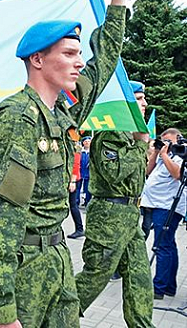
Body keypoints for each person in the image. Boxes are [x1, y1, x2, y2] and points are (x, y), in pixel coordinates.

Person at [0, 0, 128, 328]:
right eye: (69, 54)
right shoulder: (18, 118)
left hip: (57, 261)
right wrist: (4, 311)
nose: (79, 63)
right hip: (23, 270)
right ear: (38, 60)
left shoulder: (62, 111)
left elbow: (103, 61)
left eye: (78, 54)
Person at [75, 81, 154, 327]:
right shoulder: (111, 132)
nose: (144, 104)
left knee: (139, 278)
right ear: (126, 103)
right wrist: (141, 144)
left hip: (130, 214)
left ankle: (141, 324)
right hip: (109, 215)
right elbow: (114, 172)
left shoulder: (131, 134)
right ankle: (55, 317)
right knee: (96, 275)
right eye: (139, 99)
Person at [140, 128, 186, 300]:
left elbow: (177, 174)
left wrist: (165, 155)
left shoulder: (180, 155)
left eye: (168, 141)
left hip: (168, 206)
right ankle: (169, 286)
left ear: (177, 140)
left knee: (162, 245)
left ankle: (158, 287)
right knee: (168, 244)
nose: (164, 144)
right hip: (157, 204)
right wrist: (157, 153)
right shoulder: (163, 156)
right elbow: (147, 171)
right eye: (162, 141)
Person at [67, 144, 85, 239]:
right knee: (72, 205)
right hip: (71, 179)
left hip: (73, 180)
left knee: (73, 205)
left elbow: (76, 165)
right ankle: (79, 229)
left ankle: (79, 229)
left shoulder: (75, 148)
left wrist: (72, 181)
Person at [76, 136, 92, 207]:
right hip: (80, 172)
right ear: (83, 143)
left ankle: (87, 202)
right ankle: (76, 202)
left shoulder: (92, 152)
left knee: (88, 189)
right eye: (86, 141)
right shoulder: (80, 151)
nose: (87, 143)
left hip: (88, 173)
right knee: (77, 188)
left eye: (89, 141)